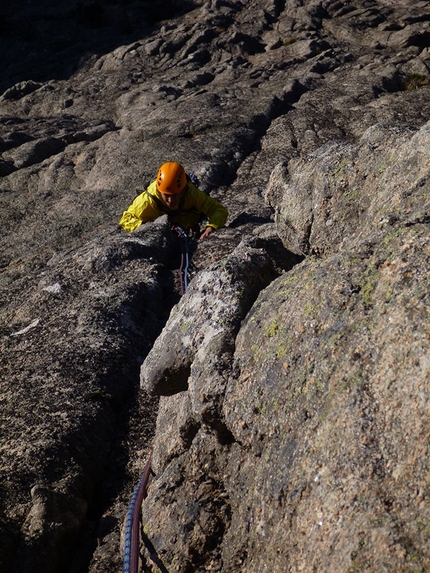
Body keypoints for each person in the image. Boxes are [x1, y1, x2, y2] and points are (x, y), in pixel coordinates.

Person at [119, 162, 228, 240]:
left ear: (183, 189)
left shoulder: (191, 193)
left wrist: (212, 227)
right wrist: (149, 227)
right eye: (166, 195)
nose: (171, 200)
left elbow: (218, 209)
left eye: (175, 195)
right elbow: (126, 219)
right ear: (159, 190)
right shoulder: (148, 200)